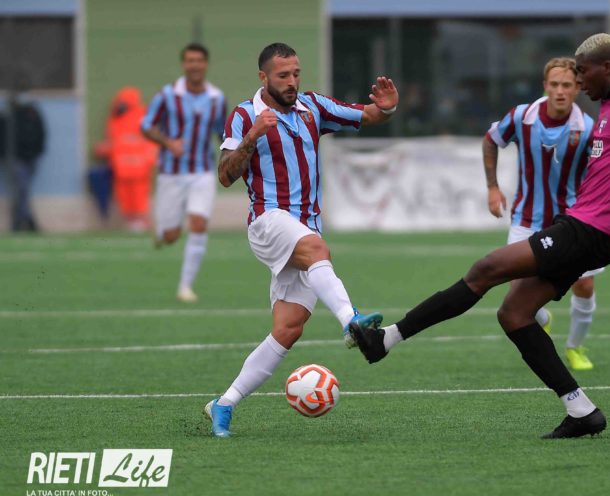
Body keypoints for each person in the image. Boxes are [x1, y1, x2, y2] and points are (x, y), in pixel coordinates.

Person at [349, 33, 610, 439]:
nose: (578, 81)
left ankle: (386, 340)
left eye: (582, 72)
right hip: (583, 225)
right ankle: (581, 410)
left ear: (608, 68)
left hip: (590, 230)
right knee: (514, 314)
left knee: (486, 269)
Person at [204, 42, 399, 438]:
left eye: (295, 73)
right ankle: (351, 322)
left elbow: (368, 114)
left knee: (288, 329)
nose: (291, 81)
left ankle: (224, 404)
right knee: (316, 248)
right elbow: (225, 175)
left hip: (305, 226)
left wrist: (387, 108)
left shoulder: (312, 107)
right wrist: (253, 136)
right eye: (283, 76)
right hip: (268, 221)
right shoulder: (244, 115)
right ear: (263, 77)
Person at [483, 57, 600, 371]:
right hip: (527, 218)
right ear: (545, 86)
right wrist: (493, 187)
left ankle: (575, 347)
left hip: (574, 221)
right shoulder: (522, 117)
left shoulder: (588, 129)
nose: (560, 91)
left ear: (577, 88)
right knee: (518, 294)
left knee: (584, 285)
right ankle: (543, 318)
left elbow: (600, 172)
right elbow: (491, 140)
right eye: (554, 84)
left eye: (567, 85)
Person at [141, 43, 227, 302]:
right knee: (171, 236)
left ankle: (185, 287)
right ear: (183, 64)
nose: (195, 65)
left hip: (203, 171)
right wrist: (168, 143)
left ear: (206, 64)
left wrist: (234, 157)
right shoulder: (167, 95)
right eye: (190, 60)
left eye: (199, 60)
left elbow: (222, 133)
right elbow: (146, 125)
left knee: (199, 224)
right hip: (171, 172)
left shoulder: (217, 98)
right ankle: (162, 233)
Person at [97, 86, 157, 231]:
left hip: (139, 167)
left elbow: (151, 141)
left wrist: (149, 158)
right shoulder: (115, 119)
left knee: (139, 195)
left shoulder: (143, 117)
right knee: (124, 195)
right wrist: (104, 149)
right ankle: (131, 222)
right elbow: (115, 142)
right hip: (121, 168)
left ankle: (141, 221)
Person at [0, 99, 45, 231]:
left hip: (31, 157)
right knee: (22, 188)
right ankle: (27, 220)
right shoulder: (7, 116)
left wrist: (37, 151)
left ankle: (19, 220)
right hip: (15, 159)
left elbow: (41, 132)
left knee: (22, 191)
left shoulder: (32, 113)